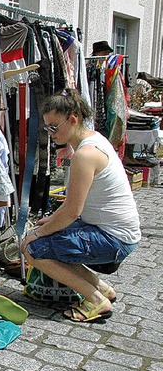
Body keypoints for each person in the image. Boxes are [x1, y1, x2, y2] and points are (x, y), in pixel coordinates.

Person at [21, 88, 141, 323]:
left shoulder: (85, 154)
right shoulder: (93, 140)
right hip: (115, 232)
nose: (51, 134)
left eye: (54, 127)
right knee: (47, 238)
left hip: (114, 238)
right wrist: (52, 221)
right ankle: (101, 289)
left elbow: (72, 211)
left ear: (73, 119)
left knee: (34, 249)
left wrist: (35, 233)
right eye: (48, 128)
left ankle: (95, 300)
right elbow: (73, 204)